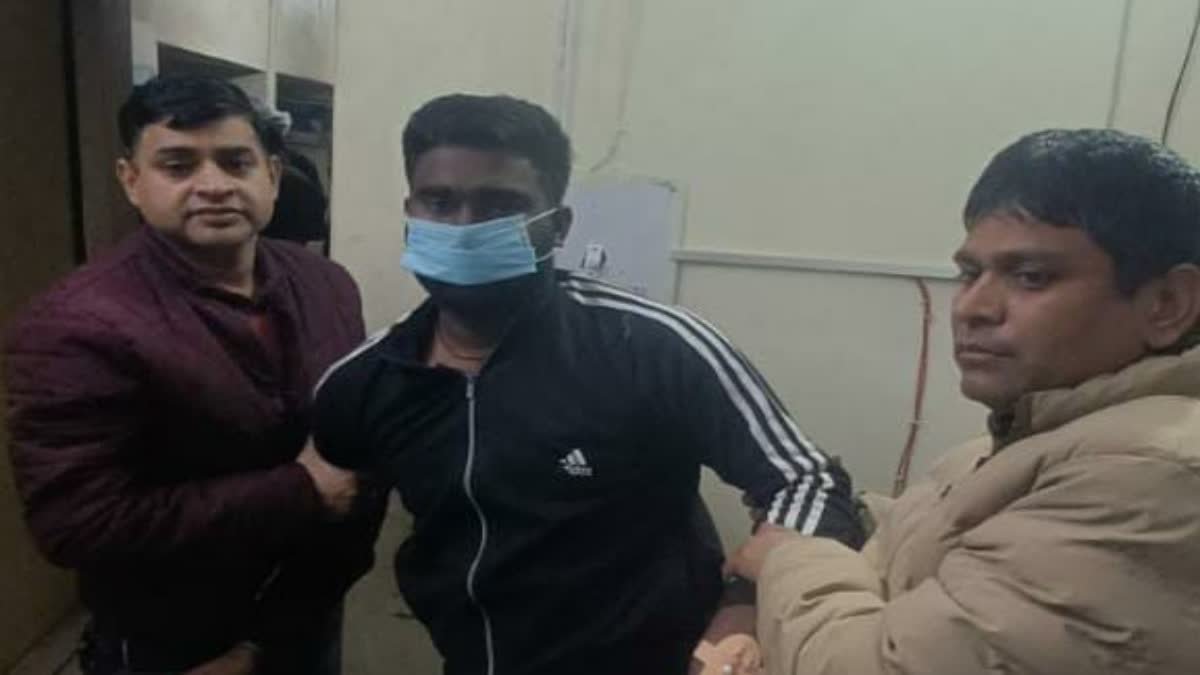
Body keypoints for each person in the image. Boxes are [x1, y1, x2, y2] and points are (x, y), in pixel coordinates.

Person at [310, 93, 864, 675]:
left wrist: (739, 619)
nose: (466, 227)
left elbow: (810, 484)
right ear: (410, 212)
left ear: (558, 226)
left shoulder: (651, 347)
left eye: (501, 205)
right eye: (440, 202)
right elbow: (335, 523)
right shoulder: (367, 381)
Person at [728, 128, 1200, 674]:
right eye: (970, 273)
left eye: (1031, 277)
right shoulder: (1026, 437)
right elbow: (936, 544)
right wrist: (855, 520)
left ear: (1167, 304)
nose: (973, 307)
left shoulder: (1151, 474)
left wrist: (790, 559)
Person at [3, 76, 383, 675]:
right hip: (174, 641)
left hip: (308, 614)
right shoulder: (75, 325)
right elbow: (77, 523)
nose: (214, 185)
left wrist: (282, 629)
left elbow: (356, 446)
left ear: (272, 175)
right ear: (131, 180)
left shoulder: (326, 285)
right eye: (178, 165)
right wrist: (299, 490)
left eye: (236, 162)